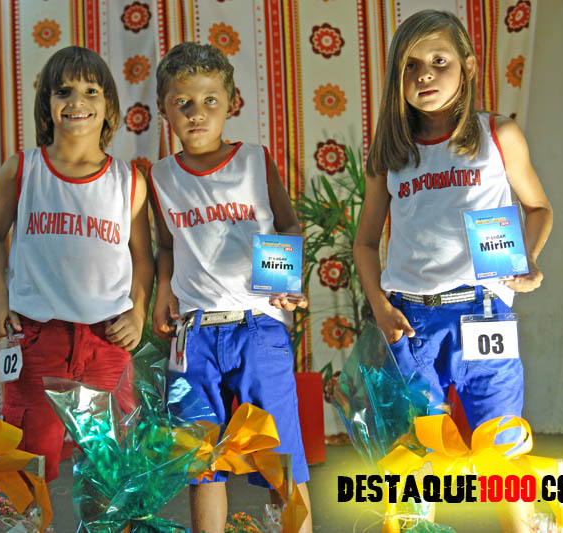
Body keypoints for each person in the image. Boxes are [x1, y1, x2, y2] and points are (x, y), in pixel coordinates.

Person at [352, 10, 552, 532]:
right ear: (397, 76)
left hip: (484, 312)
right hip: (411, 322)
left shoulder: (498, 134)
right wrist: (380, 307)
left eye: (439, 61)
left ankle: (526, 525)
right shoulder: (389, 153)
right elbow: (366, 243)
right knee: (417, 451)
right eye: (411, 64)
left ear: (468, 65)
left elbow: (538, 208)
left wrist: (527, 260)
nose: (425, 74)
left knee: (501, 443)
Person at [149, 42, 312, 533]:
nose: (196, 113)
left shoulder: (255, 161)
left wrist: (285, 281)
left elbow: (288, 223)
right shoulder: (160, 177)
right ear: (163, 109)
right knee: (200, 458)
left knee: (280, 452)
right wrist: (163, 291)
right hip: (194, 332)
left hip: (257, 324)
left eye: (210, 101)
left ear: (231, 103)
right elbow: (166, 245)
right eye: (182, 103)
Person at [0, 46, 154, 482]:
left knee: (110, 470)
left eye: (91, 91)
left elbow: (142, 258)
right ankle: (27, 519)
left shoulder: (129, 180)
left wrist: (138, 313)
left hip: (107, 340)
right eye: (64, 91)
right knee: (29, 464)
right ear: (47, 104)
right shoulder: (23, 170)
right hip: (38, 338)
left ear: (108, 104)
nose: (77, 101)